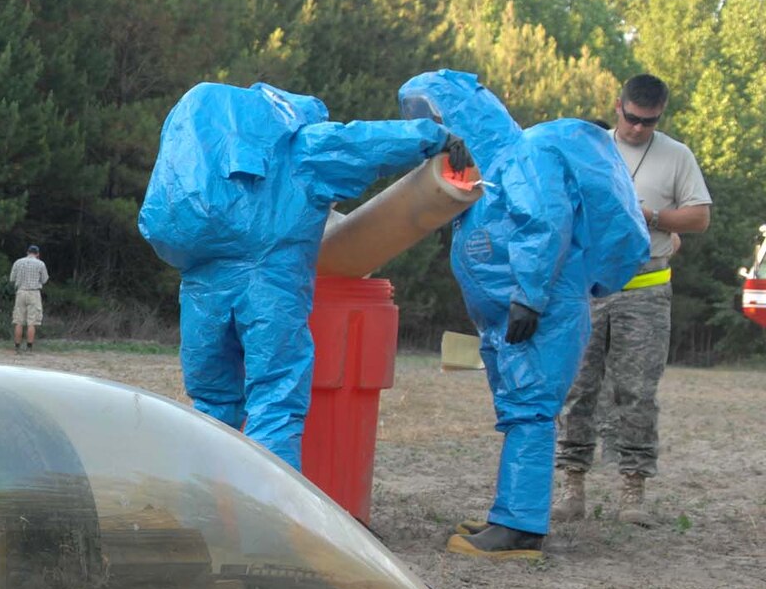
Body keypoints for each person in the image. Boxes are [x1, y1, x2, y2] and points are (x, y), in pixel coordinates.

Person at [396, 71, 648, 560]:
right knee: (519, 410)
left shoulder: (523, 158)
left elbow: (543, 223)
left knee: (530, 409)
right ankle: (511, 513)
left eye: (444, 122)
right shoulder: (495, 166)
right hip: (515, 314)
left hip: (542, 310)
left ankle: (519, 528)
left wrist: (529, 297)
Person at [138, 82, 451, 470]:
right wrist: (437, 135)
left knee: (212, 403)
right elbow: (366, 142)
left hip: (202, 289)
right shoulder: (300, 147)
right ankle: (268, 516)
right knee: (275, 402)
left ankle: (205, 502)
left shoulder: (206, 148)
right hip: (270, 287)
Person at [553, 75, 712, 527]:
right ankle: (572, 487)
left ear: (660, 115)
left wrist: (655, 217)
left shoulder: (676, 156)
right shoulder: (587, 145)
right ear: (617, 105)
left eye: (650, 121)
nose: (639, 128)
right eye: (632, 118)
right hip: (586, 288)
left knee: (637, 393)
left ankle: (632, 491)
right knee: (577, 388)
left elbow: (699, 216)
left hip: (645, 290)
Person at [8, 245, 47, 351]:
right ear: (37, 254)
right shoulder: (41, 264)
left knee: (18, 321)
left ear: (27, 252)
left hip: (20, 292)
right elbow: (44, 280)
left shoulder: (18, 262)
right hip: (34, 293)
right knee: (32, 322)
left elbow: (12, 278)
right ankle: (29, 347)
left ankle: (17, 346)